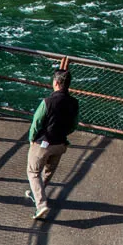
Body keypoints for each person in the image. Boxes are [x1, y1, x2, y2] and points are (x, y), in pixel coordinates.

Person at [24, 68, 80, 221]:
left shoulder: (47, 102)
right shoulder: (74, 103)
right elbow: (74, 125)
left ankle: (41, 205)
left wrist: (32, 138)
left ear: (55, 83)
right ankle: (36, 193)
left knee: (33, 172)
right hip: (60, 144)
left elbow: (37, 122)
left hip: (43, 143)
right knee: (48, 171)